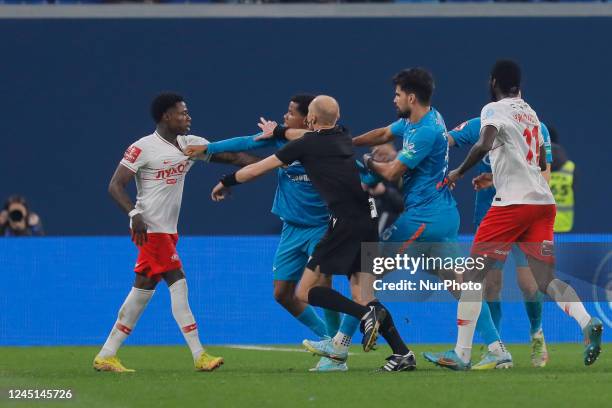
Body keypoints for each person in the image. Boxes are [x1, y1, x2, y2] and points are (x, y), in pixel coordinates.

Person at [210, 95, 416, 372]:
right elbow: (306, 130)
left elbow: (256, 170)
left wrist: (225, 181)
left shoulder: (305, 144)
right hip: (368, 218)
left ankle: (363, 318)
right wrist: (280, 131)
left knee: (306, 291)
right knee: (363, 294)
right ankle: (402, 354)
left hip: (344, 222)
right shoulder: (343, 135)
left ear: (311, 119)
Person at [423, 60, 602, 370]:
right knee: (545, 279)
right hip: (542, 206)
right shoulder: (532, 115)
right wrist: (497, 175)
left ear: (493, 82)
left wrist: (458, 172)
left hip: (511, 205)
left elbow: (484, 142)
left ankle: (462, 353)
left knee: (473, 277)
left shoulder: (494, 110)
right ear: (520, 85)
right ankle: (587, 321)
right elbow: (542, 159)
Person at [352, 68, 511, 369]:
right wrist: (350, 142)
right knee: (459, 283)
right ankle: (496, 347)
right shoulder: (421, 119)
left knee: (364, 272)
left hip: (423, 218)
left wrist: (366, 159)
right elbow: (385, 133)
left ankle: (339, 347)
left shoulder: (425, 131)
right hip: (442, 214)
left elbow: (392, 172)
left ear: (411, 97)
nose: (393, 98)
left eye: (397, 94)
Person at [185, 95, 354, 372]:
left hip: (321, 227)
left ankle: (336, 354)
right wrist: (208, 149)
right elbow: (245, 143)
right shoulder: (282, 141)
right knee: (282, 293)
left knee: (321, 286)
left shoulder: (326, 144)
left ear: (308, 117)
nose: (285, 117)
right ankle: (329, 338)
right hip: (291, 229)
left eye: (290, 113)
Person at [94, 92, 259, 373]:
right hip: (150, 229)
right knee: (178, 282)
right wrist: (134, 215)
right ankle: (199, 354)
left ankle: (107, 354)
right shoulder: (142, 147)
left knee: (142, 291)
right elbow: (115, 186)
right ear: (165, 117)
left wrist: (272, 163)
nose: (188, 117)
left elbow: (231, 156)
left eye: (187, 112)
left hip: (167, 231)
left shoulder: (190, 145)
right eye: (182, 113)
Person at [448, 117, 553, 367]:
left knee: (529, 285)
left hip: (524, 216)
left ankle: (536, 333)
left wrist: (493, 180)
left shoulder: (537, 126)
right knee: (491, 286)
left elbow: (544, 178)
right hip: (492, 216)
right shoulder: (481, 124)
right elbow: (448, 139)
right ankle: (495, 347)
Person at [547, 126, 575, 232]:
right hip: (565, 227)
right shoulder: (570, 167)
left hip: (542, 228)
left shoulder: (534, 165)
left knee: (545, 249)